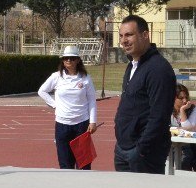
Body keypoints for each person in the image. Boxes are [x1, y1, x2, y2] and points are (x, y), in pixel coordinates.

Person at [113, 14, 176, 173]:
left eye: (129, 35)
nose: (123, 40)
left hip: (143, 154)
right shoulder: (132, 66)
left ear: (145, 35)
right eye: (121, 36)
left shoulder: (158, 69)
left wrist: (141, 149)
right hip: (123, 149)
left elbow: (159, 115)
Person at [37, 45, 98, 169]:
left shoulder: (85, 78)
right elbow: (42, 91)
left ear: (77, 60)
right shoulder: (56, 76)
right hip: (62, 125)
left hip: (82, 124)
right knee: (65, 164)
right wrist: (55, 105)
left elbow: (92, 100)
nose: (68, 61)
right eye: (66, 58)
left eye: (72, 58)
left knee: (84, 163)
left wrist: (93, 121)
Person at [170, 83, 196, 171]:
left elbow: (189, 128)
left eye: (186, 97)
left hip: (190, 145)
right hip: (172, 145)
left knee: (186, 158)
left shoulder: (193, 109)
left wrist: (182, 110)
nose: (185, 101)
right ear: (174, 98)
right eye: (181, 98)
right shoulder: (167, 110)